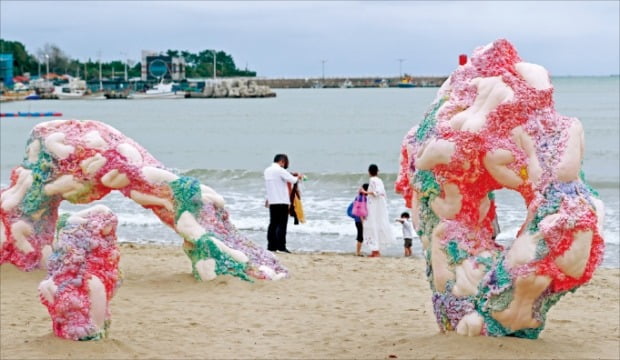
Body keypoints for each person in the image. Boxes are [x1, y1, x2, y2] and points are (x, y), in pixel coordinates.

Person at [264, 154, 303, 253]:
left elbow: (269, 186)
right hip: (282, 200)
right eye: (285, 163)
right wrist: (299, 176)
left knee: (273, 224)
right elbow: (293, 180)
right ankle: (281, 246)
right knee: (282, 224)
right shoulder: (280, 170)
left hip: (273, 200)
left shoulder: (267, 171)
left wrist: (267, 198)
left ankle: (271, 246)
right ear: (282, 161)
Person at [360, 164, 395, 257]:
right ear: (377, 171)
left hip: (374, 206)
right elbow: (382, 193)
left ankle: (375, 251)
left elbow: (377, 192)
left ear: (369, 172)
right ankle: (376, 250)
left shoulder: (372, 180)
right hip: (379, 205)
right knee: (377, 224)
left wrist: (365, 192)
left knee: (371, 225)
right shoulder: (379, 180)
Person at [347, 183, 368, 256]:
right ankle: (358, 252)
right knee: (360, 236)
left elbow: (352, 209)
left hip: (357, 220)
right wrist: (361, 219)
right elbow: (362, 210)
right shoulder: (363, 198)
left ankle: (358, 251)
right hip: (360, 220)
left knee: (360, 235)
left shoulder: (358, 197)